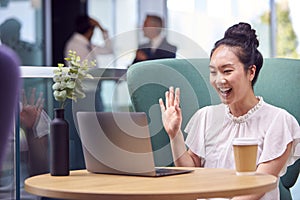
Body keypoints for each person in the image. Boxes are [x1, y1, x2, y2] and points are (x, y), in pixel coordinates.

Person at [159, 22, 300, 200]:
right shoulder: (206, 116)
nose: (219, 80)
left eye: (227, 71)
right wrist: (174, 134)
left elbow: (256, 190)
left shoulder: (278, 121)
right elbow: (190, 170)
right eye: (213, 72)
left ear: (251, 72)